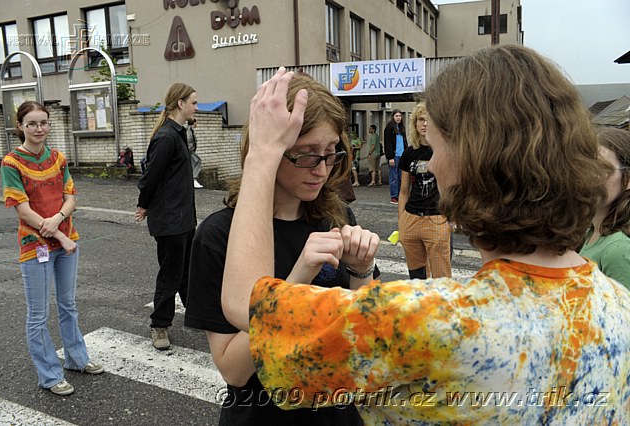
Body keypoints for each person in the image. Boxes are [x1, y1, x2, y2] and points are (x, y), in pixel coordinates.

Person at [221, 46, 630, 425]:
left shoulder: (427, 323)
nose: (430, 166)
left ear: (473, 161)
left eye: (435, 148)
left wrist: (261, 154)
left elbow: (248, 303)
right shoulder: (620, 308)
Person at [185, 73, 371, 425]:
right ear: (270, 148)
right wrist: (295, 283)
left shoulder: (336, 214)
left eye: (331, 153)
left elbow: (359, 336)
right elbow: (234, 371)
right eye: (305, 155)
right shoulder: (219, 234)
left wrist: (362, 270)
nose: (321, 169)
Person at [1, 101, 104, 396]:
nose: (39, 129)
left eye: (43, 122)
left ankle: (76, 359)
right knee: (38, 314)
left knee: (68, 305)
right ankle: (49, 375)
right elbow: (22, 209)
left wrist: (58, 220)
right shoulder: (11, 162)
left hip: (65, 240)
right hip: (36, 247)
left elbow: (70, 196)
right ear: (20, 126)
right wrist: (61, 235)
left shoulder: (58, 158)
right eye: (32, 123)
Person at [135, 83, 198, 350]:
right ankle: (159, 326)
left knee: (187, 271)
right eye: (194, 103)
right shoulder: (166, 137)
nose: (197, 107)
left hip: (183, 216)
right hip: (170, 219)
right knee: (171, 274)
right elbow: (151, 176)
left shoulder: (180, 133)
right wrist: (143, 204)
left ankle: (197, 315)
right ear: (180, 104)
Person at [398, 102, 451, 279]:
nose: (425, 124)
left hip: (436, 218)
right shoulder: (408, 153)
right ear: (415, 123)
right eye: (421, 119)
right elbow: (404, 191)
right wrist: (402, 221)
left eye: (429, 120)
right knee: (416, 278)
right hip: (411, 218)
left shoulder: (444, 151)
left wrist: (450, 218)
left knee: (441, 278)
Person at [580, 127, 630, 289]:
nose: (589, 177)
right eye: (584, 167)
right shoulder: (591, 233)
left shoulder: (617, 249)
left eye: (602, 169)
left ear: (628, 179)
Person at [383, 109, 407, 205]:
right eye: (396, 116)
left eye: (400, 116)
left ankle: (401, 195)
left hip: (402, 156)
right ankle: (394, 196)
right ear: (393, 117)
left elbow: (405, 142)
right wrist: (390, 157)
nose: (398, 118)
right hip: (394, 156)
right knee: (394, 177)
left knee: (402, 177)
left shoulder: (402, 128)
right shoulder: (389, 128)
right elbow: (387, 143)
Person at [186, 117, 203, 188]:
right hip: (189, 151)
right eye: (196, 122)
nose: (197, 124)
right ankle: (194, 179)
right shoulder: (188, 130)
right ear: (194, 122)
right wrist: (190, 150)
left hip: (190, 150)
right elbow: (189, 140)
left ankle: (190, 180)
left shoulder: (190, 130)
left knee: (191, 164)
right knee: (197, 160)